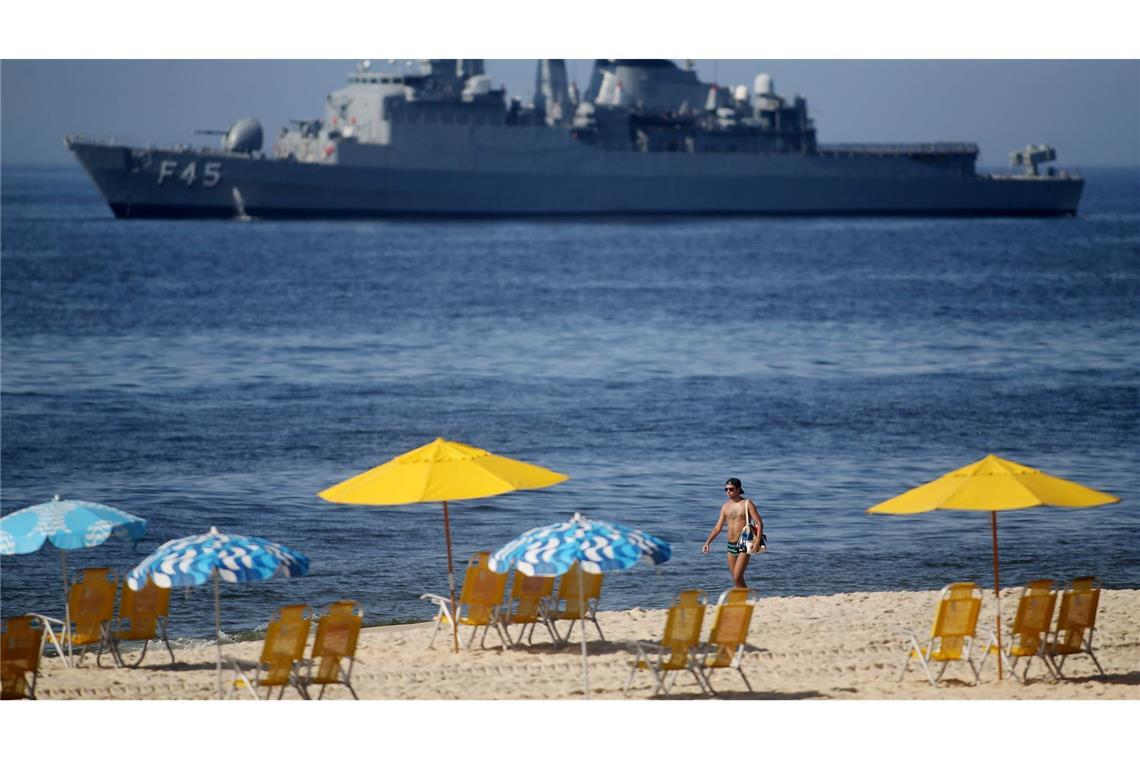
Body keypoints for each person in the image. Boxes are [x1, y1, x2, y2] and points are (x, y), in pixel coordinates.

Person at [702, 477, 764, 588]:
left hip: (745, 543)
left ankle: (747, 598)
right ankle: (744, 600)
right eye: (726, 489)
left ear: (739, 489)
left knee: (737, 576)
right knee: (736, 578)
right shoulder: (725, 507)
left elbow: (759, 523)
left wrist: (757, 540)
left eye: (731, 489)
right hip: (730, 545)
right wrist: (708, 542)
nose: (728, 492)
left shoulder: (747, 503)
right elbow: (718, 527)